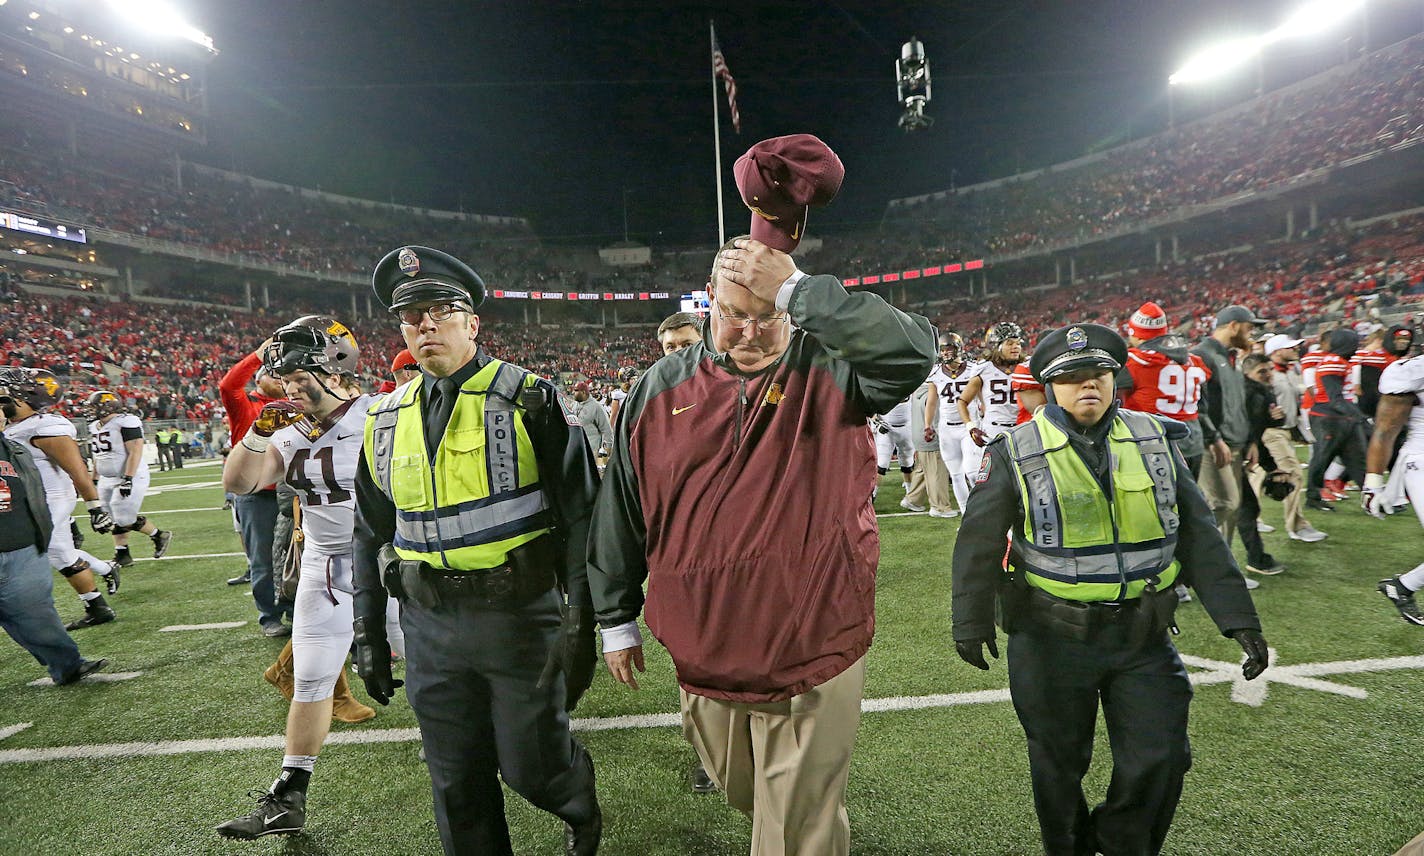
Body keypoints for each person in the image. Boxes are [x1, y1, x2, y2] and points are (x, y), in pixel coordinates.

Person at [590, 193, 937, 856]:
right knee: (752, 794)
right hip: (703, 643)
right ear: (707, 304)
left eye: (766, 317)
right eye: (733, 316)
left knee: (794, 826)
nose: (748, 333)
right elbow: (624, 508)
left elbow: (911, 350)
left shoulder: (831, 370)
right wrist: (614, 616)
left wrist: (802, 291)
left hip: (815, 636)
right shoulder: (655, 389)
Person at [951, 323, 1268, 856]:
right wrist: (971, 620)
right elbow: (978, 542)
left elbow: (1198, 534)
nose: (1088, 386)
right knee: (1057, 763)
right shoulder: (1017, 449)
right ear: (1050, 386)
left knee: (1162, 755)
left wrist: (1240, 620)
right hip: (1050, 638)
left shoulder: (1152, 438)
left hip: (1143, 636)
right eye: (1071, 378)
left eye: (1097, 373)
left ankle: (1122, 841)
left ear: (1114, 377)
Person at [351, 246, 602, 856]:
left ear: (473, 323)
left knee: (530, 766)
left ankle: (579, 807)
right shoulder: (382, 417)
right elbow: (370, 531)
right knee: (455, 779)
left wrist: (581, 619)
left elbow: (581, 516)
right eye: (413, 317)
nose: (426, 326)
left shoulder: (531, 399)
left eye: (441, 311)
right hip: (428, 624)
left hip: (518, 615)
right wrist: (368, 633)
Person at [216, 316, 382, 839]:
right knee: (309, 678)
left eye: (296, 374)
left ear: (334, 366)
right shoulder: (289, 429)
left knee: (428, 670)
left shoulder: (382, 413)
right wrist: (259, 431)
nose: (288, 386)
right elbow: (240, 482)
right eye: (283, 377)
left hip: (388, 563)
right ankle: (288, 795)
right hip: (325, 567)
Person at [0, 368, 119, 629]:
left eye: (4, 393)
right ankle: (99, 602)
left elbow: (76, 469)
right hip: (25, 498)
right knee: (62, 554)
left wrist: (95, 508)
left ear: (24, 396)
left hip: (49, 498)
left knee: (42, 550)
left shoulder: (44, 427)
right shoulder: (13, 427)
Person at [0, 426, 108, 685]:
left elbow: (34, 494)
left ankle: (68, 666)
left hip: (23, 547)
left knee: (38, 614)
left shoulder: (15, 449)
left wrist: (47, 529)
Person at [220, 350, 295, 633]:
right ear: (259, 378)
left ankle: (291, 609)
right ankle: (269, 616)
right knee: (262, 557)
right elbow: (228, 385)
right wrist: (257, 356)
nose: (280, 379)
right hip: (256, 491)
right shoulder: (244, 402)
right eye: (273, 373)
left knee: (293, 553)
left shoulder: (292, 402)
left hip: (289, 489)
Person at [1192, 305, 1265, 548]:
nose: (1251, 333)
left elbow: (1239, 405)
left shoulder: (1232, 358)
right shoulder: (1202, 355)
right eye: (1249, 327)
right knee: (1224, 504)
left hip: (1235, 444)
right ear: (1233, 325)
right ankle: (1191, 557)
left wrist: (1251, 440)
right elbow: (1196, 404)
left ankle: (1223, 570)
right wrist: (1213, 439)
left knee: (1233, 512)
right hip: (1213, 445)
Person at [1363, 352, 1424, 625]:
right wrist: (1373, 483)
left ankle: (1401, 587)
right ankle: (1402, 587)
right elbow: (1385, 431)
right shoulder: (1412, 371)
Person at [1116, 302, 1210, 475]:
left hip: (1153, 442)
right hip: (1192, 442)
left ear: (1137, 335)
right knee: (1187, 499)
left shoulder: (1134, 361)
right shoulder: (1194, 361)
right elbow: (1203, 405)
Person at [83, 391, 173, 568]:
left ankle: (159, 535)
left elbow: (135, 450)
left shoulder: (126, 421)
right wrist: (93, 479)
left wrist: (128, 478)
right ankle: (122, 553)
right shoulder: (95, 426)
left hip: (130, 475)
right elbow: (99, 455)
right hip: (106, 477)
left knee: (123, 518)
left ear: (107, 406)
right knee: (109, 517)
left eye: (94, 406)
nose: (91, 410)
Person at [1258, 334, 1326, 542]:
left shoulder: (1287, 372)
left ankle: (1251, 517)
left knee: (1258, 476)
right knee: (1293, 474)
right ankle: (1297, 526)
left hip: (1284, 431)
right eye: (1291, 347)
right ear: (1277, 352)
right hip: (1271, 432)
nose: (1296, 349)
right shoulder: (1267, 374)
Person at [1306, 327, 1368, 512]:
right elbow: (1335, 398)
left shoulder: (1340, 361)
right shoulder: (1332, 362)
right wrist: (1359, 417)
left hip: (1343, 417)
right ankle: (1313, 497)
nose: (1356, 347)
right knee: (1322, 458)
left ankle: (1373, 497)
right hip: (1328, 418)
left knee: (1359, 458)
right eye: (1354, 343)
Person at [957, 321, 1025, 488]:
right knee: (995, 479)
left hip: (1023, 428)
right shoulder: (985, 369)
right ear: (996, 345)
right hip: (995, 430)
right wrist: (971, 427)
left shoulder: (1026, 366)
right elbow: (962, 401)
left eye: (1018, 343)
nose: (1015, 347)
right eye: (1010, 343)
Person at [925, 331, 975, 511]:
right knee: (956, 475)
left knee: (972, 473)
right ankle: (966, 516)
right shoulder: (936, 372)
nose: (945, 353)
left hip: (969, 426)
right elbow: (931, 402)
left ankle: (982, 511)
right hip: (947, 428)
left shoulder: (972, 369)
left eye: (949, 349)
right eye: (943, 350)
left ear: (958, 348)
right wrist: (927, 425)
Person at [908, 377, 956, 518]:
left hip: (918, 436)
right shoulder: (932, 394)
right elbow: (935, 416)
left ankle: (913, 499)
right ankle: (939, 507)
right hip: (930, 437)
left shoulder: (917, 389)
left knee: (925, 470)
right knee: (937, 472)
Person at [569, 381, 613, 471]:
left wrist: (607, 449)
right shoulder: (574, 405)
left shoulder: (596, 407)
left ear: (583, 392)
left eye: (576, 390)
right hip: (576, 446)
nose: (573, 393)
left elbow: (606, 429)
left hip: (592, 448)